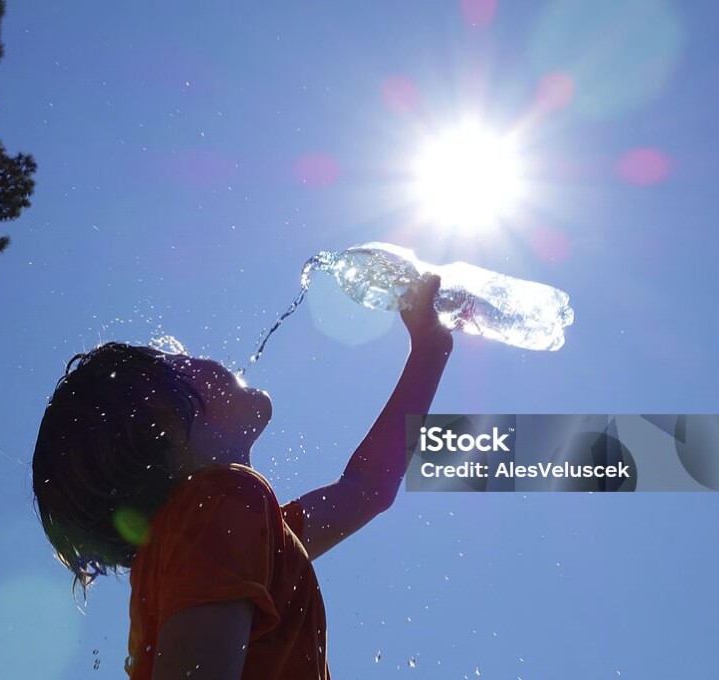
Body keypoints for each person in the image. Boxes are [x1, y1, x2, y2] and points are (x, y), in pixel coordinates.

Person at [32, 274, 452, 678]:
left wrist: (429, 351)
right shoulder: (218, 507)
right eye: (179, 362)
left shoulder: (225, 535)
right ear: (165, 421)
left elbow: (367, 490)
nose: (203, 359)